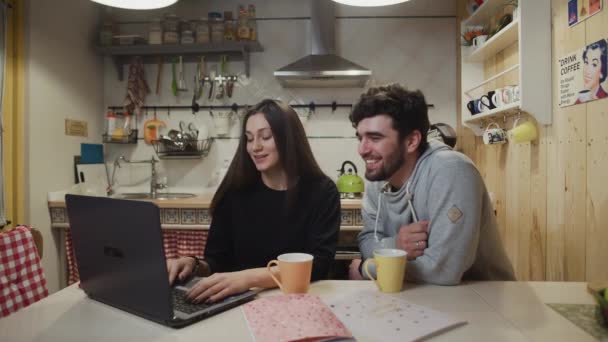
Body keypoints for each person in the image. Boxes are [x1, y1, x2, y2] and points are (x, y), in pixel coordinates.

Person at [167, 99, 341, 303]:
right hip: (239, 303)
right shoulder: (235, 192)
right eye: (249, 139)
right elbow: (218, 262)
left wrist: (247, 278)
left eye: (265, 137)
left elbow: (317, 266)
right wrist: (194, 265)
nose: (255, 147)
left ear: (289, 139)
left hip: (299, 301)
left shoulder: (322, 192)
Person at [348, 84, 515, 285]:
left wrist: (367, 269)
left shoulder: (451, 170)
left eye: (375, 138)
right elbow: (366, 242)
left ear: (411, 141)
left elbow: (443, 270)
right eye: (360, 138)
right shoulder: (380, 176)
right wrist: (397, 245)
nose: (362, 149)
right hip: (415, 297)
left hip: (482, 301)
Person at [576, 39, 608, 104]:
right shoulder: (578, 102)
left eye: (594, 64)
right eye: (586, 62)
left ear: (601, 72)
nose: (587, 70)